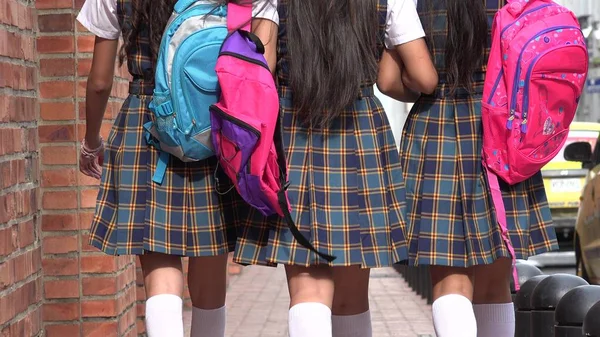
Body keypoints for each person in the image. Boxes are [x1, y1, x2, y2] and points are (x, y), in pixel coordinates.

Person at [230, 1, 437, 336]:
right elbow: (422, 77)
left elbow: (262, 68)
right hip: (358, 135)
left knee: (306, 291)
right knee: (352, 298)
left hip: (294, 132)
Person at [76, 1, 278, 336]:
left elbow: (99, 81)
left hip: (147, 124)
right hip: (215, 129)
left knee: (160, 273)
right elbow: (261, 69)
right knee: (212, 270)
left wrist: (92, 140)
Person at [392, 1, 559, 336]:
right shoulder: (508, 3)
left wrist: (424, 83)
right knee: (495, 284)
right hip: (502, 131)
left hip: (436, 131)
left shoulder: (412, 4)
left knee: (449, 281)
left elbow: (389, 80)